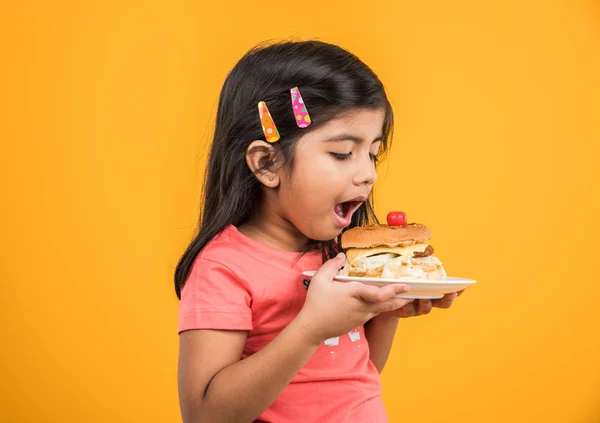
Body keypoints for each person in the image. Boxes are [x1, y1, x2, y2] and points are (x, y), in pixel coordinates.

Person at [175, 40, 460, 423]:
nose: (368, 174)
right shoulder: (224, 268)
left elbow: (358, 378)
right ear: (267, 163)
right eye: (343, 153)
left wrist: (388, 308)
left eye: (373, 154)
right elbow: (206, 415)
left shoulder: (339, 256)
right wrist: (309, 328)